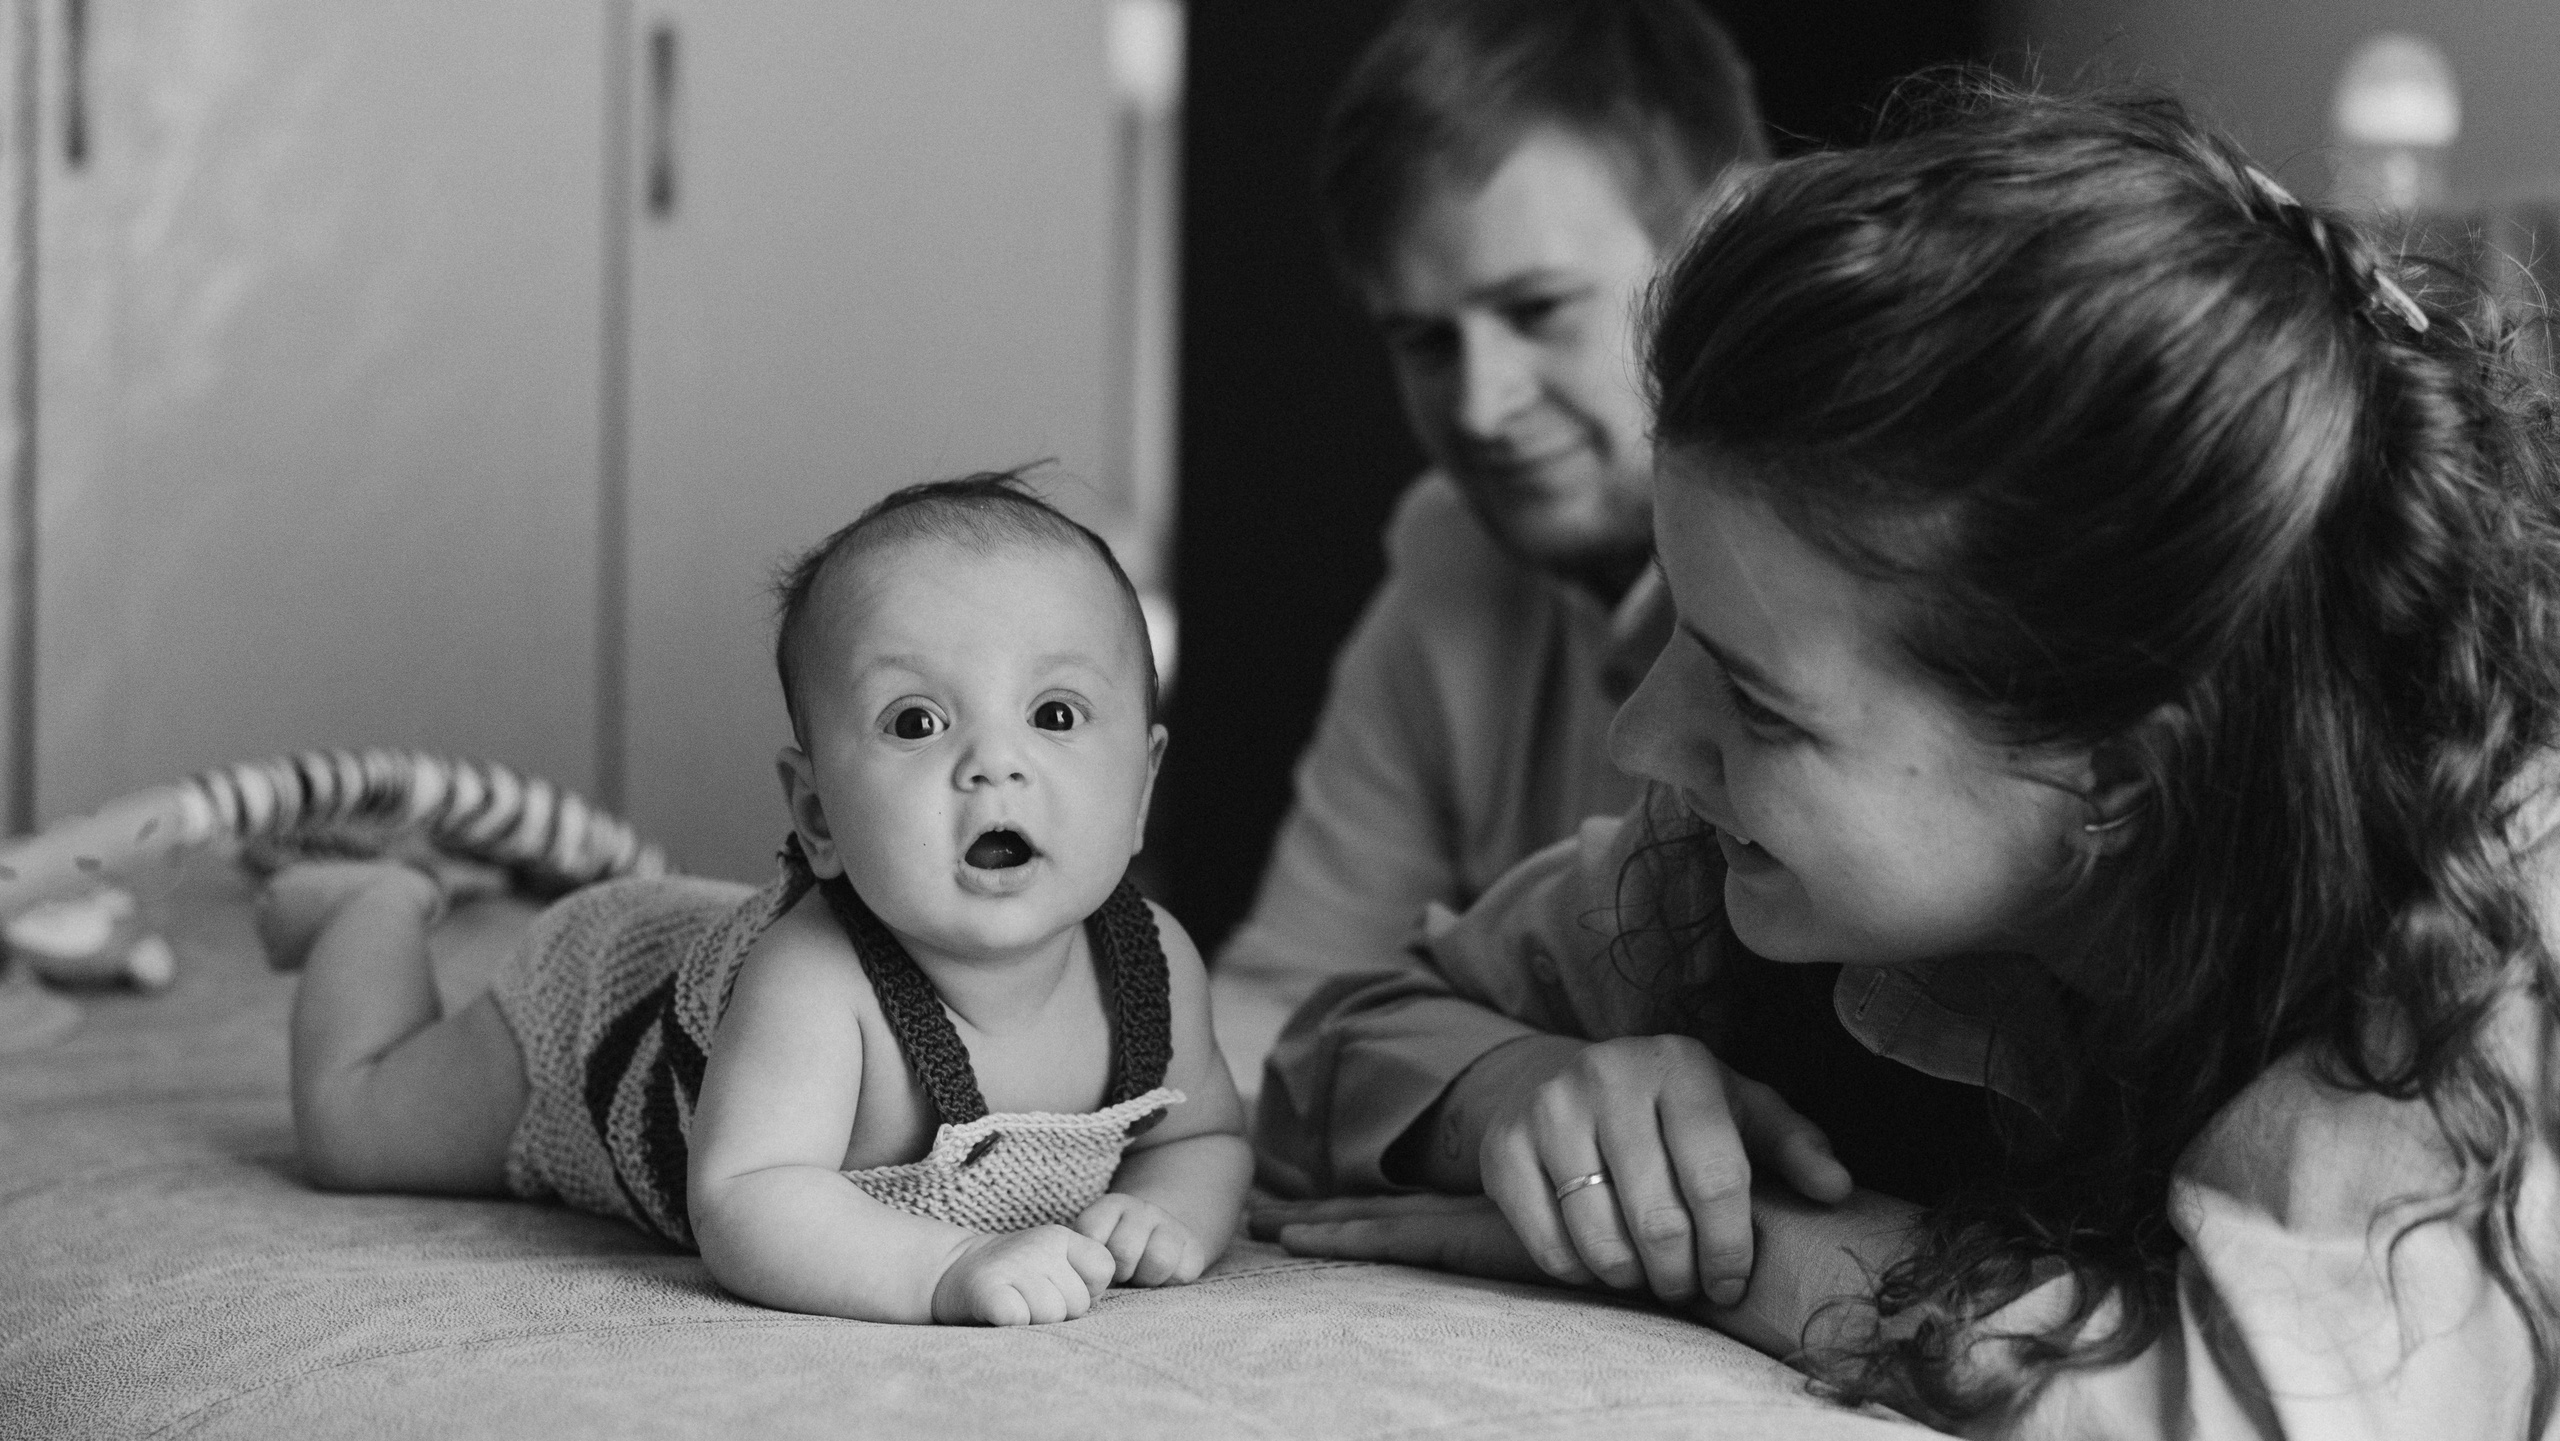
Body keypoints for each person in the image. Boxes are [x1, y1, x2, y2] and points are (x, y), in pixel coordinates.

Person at [1258, 84, 2560, 1438]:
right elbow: (1333, 1055)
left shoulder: (2473, 920)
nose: (1641, 735)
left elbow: (2233, 1417)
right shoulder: (1732, 872)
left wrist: (1736, 1242)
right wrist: (1511, 1099)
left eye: (1761, 705)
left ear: (2117, 774)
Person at [266, 473, 1252, 1327]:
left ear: (1142, 790)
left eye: (1055, 714)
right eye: (916, 721)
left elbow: (1203, 1132)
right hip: (600, 1030)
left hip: (700, 946)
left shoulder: (1153, 964)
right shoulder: (818, 984)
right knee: (354, 1128)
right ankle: (380, 904)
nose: (995, 764)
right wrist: (942, 1266)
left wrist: (1169, 1210)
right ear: (816, 814)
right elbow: (746, 1199)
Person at [1210, 0, 1770, 1090]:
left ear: (1725, 241)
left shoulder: (1878, 567)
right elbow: (1290, 1007)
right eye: (1423, 340)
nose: (1479, 405)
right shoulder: (1452, 555)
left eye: (1537, 308)